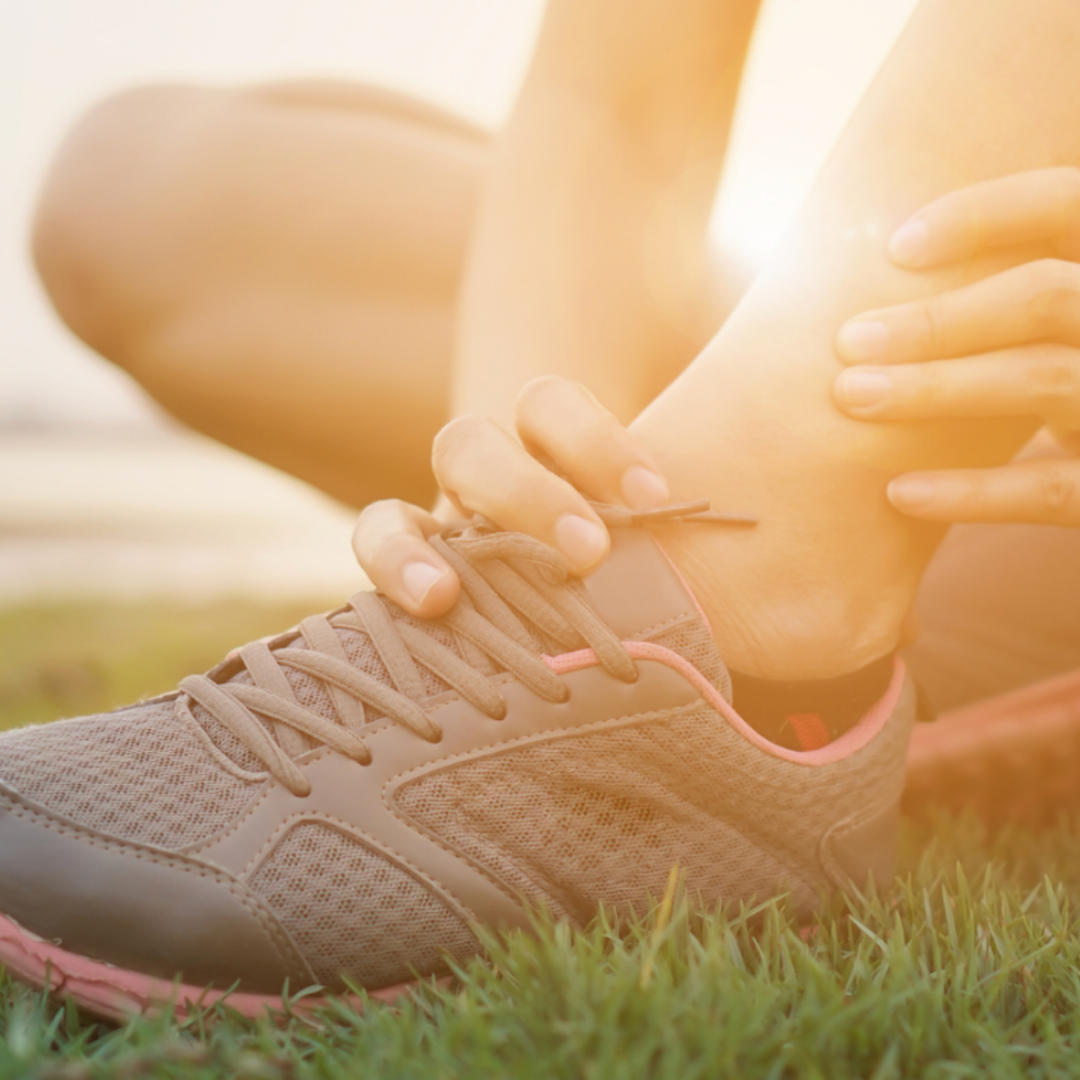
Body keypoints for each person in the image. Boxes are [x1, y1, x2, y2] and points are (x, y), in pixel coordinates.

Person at [2, 0, 1076, 1016]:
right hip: (950, 403)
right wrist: (523, 526)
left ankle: (763, 612)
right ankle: (694, 617)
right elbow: (618, 96)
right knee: (130, 191)